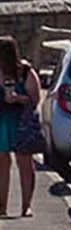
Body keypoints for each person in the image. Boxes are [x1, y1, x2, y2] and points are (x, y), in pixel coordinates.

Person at [0, 35, 41, 218]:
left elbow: (35, 99)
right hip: (2, 121)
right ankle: (1, 206)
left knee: (24, 163)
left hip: (21, 123)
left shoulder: (25, 71)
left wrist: (17, 98)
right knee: (2, 164)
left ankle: (26, 205)